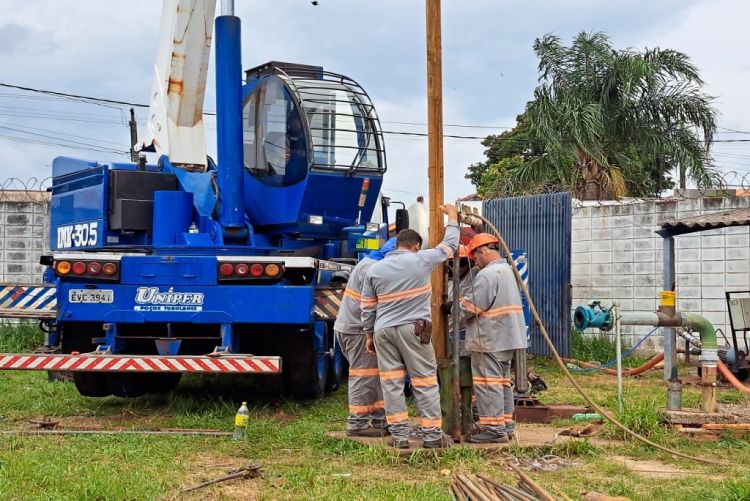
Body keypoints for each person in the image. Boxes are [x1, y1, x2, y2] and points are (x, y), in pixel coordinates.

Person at [361, 204, 459, 449]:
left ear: (395, 246)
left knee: (392, 384)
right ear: (416, 246)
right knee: (424, 381)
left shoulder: (375, 270)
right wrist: (454, 218)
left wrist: (369, 335)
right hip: (413, 330)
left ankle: (400, 437)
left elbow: (367, 306)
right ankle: (431, 436)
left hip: (383, 331)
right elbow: (449, 246)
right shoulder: (421, 260)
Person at [461, 233, 527, 443]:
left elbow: (473, 307)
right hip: (508, 338)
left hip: (489, 338)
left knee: (488, 383)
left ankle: (493, 428)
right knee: (502, 383)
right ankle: (505, 425)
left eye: (475, 257)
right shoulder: (507, 270)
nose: (475, 262)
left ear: (483, 251)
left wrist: (453, 309)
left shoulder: (488, 275)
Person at [334, 237, 397, 437]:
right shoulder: (372, 269)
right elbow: (374, 305)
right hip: (358, 330)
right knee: (363, 376)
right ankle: (357, 424)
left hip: (354, 328)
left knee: (374, 376)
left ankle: (379, 419)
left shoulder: (369, 263)